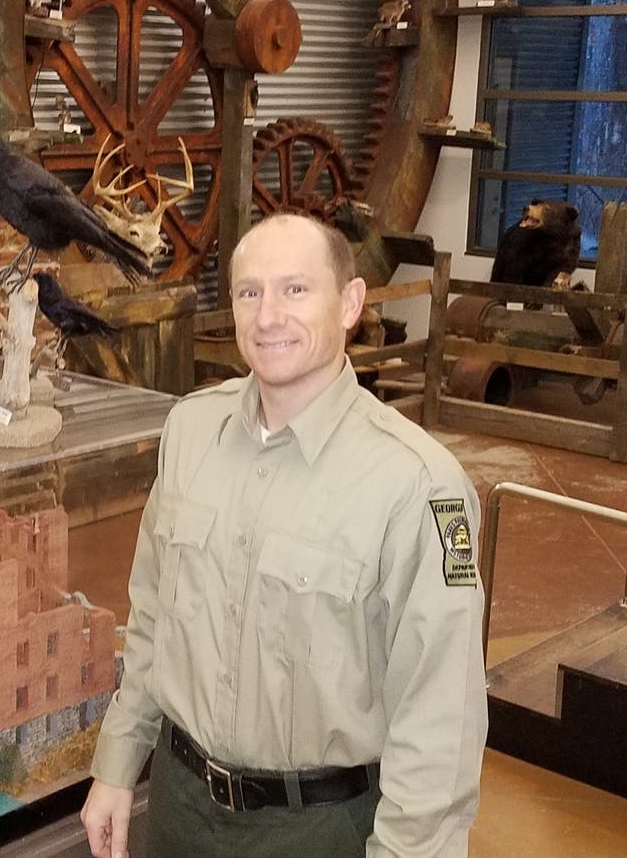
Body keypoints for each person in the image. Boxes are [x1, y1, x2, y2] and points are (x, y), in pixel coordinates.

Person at [80, 213, 487, 857]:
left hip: (318, 830)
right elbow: (154, 620)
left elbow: (439, 718)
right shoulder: (191, 433)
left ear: (350, 304)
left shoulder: (418, 485)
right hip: (180, 808)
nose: (268, 316)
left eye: (296, 289)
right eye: (250, 292)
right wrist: (118, 762)